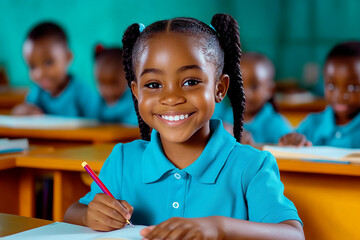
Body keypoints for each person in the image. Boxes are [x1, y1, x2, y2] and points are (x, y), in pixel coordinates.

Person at [64, 14, 304, 240]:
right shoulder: (123, 161)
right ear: (136, 93)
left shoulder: (251, 166)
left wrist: (219, 228)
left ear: (220, 88)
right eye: (154, 84)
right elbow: (73, 213)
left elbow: (293, 234)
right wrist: (89, 215)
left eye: (190, 82)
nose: (171, 97)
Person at [279, 41, 360, 148]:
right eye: (331, 85)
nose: (340, 95)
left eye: (352, 87)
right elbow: (289, 151)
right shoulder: (312, 124)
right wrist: (289, 143)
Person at [12, 22, 97, 118]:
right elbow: (21, 110)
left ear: (67, 58)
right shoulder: (38, 92)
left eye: (48, 62)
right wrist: (25, 110)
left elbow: (101, 126)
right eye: (32, 66)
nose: (40, 74)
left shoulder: (83, 94)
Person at [213, 52, 292, 145]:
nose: (244, 93)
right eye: (238, 85)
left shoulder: (275, 124)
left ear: (270, 90)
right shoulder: (224, 117)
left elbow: (289, 150)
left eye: (254, 87)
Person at [93, 45, 138, 125]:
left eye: (114, 84)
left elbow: (133, 129)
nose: (107, 90)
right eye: (101, 84)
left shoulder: (134, 104)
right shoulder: (98, 102)